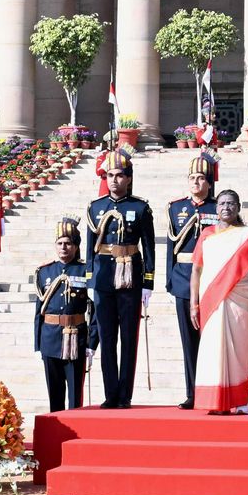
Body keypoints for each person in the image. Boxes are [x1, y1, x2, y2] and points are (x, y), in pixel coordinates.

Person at [190, 189, 248, 415]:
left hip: (243, 301)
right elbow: (196, 270)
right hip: (211, 302)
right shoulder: (207, 235)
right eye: (222, 203)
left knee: (240, 351)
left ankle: (240, 401)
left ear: (238, 207)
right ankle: (215, 402)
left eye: (231, 203)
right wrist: (194, 304)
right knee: (212, 351)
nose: (226, 207)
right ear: (216, 208)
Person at [85, 147, 155, 409]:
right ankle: (110, 394)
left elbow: (149, 248)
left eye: (119, 175)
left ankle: (125, 395)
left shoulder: (140, 207)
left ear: (128, 178)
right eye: (110, 175)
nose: (114, 180)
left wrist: (148, 282)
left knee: (128, 337)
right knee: (107, 336)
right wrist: (90, 280)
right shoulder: (95, 208)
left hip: (131, 278)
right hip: (104, 277)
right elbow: (90, 248)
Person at [165, 156, 221, 409]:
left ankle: (213, 390)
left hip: (211, 277)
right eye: (192, 178)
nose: (196, 182)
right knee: (189, 340)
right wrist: (170, 279)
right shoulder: (175, 208)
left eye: (200, 178)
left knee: (211, 339)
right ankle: (192, 392)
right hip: (183, 278)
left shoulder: (218, 208)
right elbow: (171, 248)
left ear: (209, 183)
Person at [33, 217, 93, 412]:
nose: (63, 247)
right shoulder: (44, 272)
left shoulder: (85, 270)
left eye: (68, 243)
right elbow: (38, 311)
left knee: (75, 396)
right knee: (54, 393)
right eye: (59, 243)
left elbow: (95, 310)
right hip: (50, 338)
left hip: (76, 337)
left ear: (76, 246)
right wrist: (38, 343)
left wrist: (91, 343)